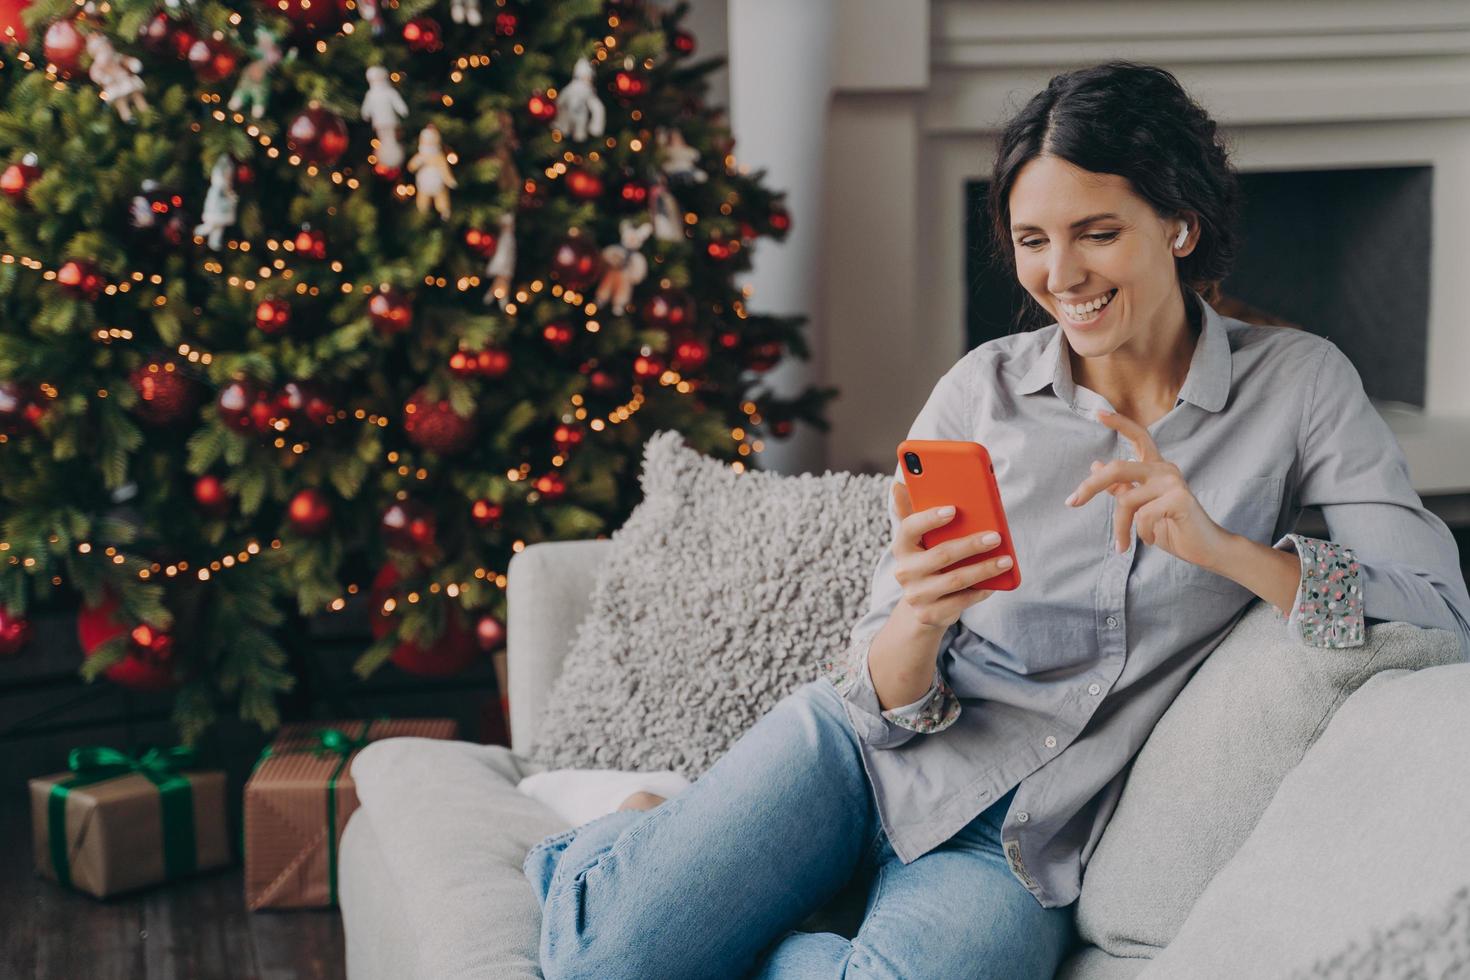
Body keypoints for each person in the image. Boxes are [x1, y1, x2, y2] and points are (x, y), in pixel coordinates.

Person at [521, 61, 1470, 980]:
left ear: (1181, 224)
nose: (1062, 274)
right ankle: (633, 831)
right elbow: (878, 680)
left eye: (1096, 232)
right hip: (858, 757)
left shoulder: (1298, 387)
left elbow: (1440, 611)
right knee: (597, 961)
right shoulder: (982, 392)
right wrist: (921, 622)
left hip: (1018, 842)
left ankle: (720, 895)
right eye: (1033, 240)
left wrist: (1228, 552)